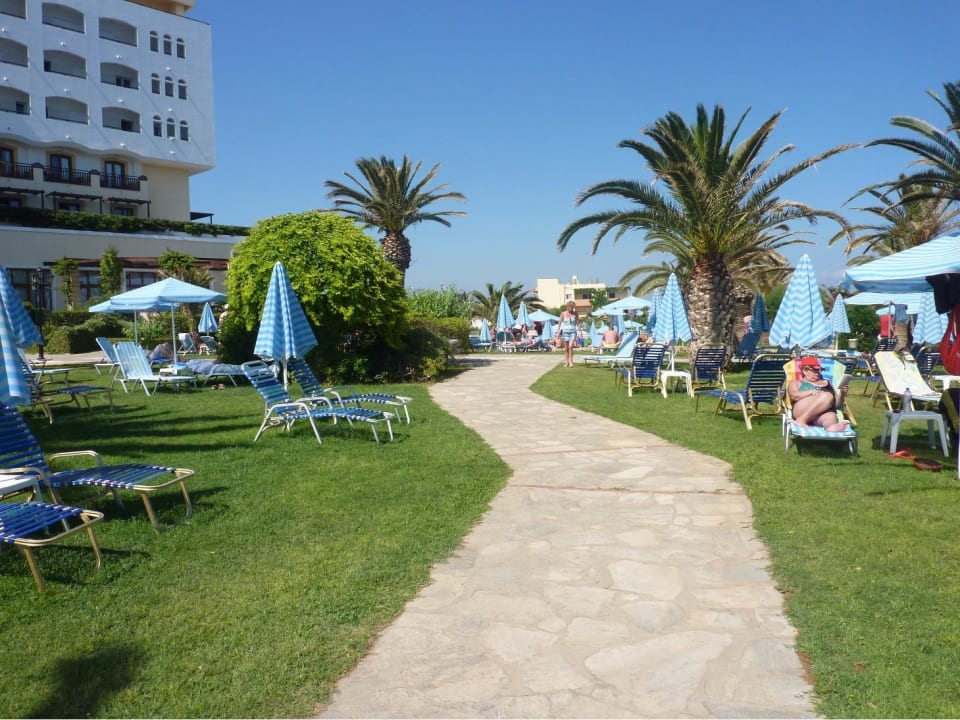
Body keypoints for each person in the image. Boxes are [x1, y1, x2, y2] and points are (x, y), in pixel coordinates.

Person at [787, 356, 849, 432]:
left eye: (819, 370)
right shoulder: (797, 383)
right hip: (801, 410)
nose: (818, 373)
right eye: (815, 370)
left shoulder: (828, 383)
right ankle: (801, 420)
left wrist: (842, 393)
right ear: (805, 370)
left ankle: (831, 428)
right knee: (827, 396)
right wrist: (810, 392)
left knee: (832, 416)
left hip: (821, 414)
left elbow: (836, 405)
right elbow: (793, 396)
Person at [558, 300, 579, 367]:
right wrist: (558, 331)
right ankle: (566, 362)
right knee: (566, 348)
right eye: (570, 307)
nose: (571, 308)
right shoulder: (563, 313)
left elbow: (578, 323)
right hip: (565, 332)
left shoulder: (575, 313)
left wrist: (580, 332)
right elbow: (559, 323)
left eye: (572, 307)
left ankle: (571, 362)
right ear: (567, 306)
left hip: (573, 332)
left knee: (570, 346)